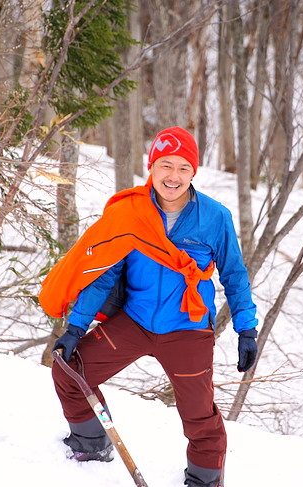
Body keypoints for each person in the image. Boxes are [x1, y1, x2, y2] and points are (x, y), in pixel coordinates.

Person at [40, 126, 258, 487]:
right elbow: (106, 276)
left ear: (194, 172)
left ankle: (204, 481)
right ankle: (92, 445)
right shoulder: (130, 213)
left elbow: (234, 274)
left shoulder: (215, 217)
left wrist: (246, 328)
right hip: (135, 323)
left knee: (199, 417)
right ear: (151, 166)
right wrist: (75, 328)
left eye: (183, 168)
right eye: (166, 165)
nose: (174, 176)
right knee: (68, 371)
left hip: (187, 328)